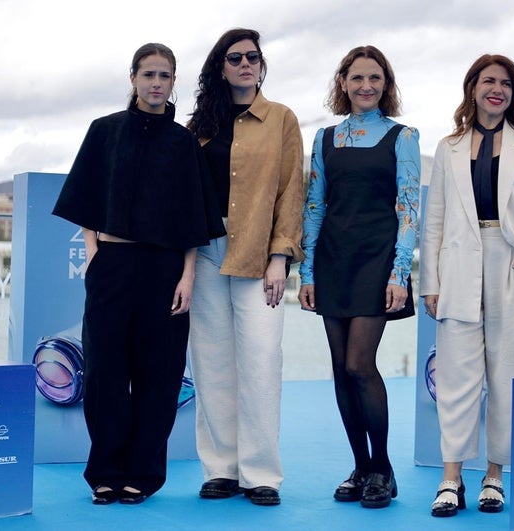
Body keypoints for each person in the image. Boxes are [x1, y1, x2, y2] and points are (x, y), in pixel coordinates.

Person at [52, 43, 225, 505]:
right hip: (112, 265)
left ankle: (143, 475)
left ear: (173, 83)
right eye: (148, 73)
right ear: (132, 77)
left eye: (164, 76)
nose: (155, 82)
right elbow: (84, 198)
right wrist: (93, 252)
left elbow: (193, 218)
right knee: (105, 370)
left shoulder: (183, 143)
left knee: (160, 374)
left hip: (165, 269)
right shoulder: (104, 131)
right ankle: (105, 472)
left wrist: (187, 276)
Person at [419, 53, 514, 517]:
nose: (496, 89)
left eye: (505, 83)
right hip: (459, 266)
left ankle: (496, 476)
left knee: (509, 377)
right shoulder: (448, 146)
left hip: (513, 266)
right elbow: (434, 221)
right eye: (488, 81)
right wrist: (430, 283)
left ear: (513, 92)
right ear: (473, 88)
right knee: (458, 377)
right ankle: (450, 478)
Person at [298, 45, 420, 509]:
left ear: (386, 85)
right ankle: (360, 466)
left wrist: (400, 273)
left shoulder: (403, 136)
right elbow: (314, 207)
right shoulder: (325, 138)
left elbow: (408, 208)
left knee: (358, 365)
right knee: (339, 371)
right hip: (332, 259)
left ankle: (383, 468)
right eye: (357, 78)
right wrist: (305, 272)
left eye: (375, 78)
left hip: (378, 259)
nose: (366, 86)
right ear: (343, 83)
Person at [186, 28, 304, 506]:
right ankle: (221, 469)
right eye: (235, 58)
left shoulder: (282, 119)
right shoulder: (200, 124)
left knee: (259, 361)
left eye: (253, 57)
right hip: (206, 248)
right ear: (221, 66)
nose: (245, 64)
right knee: (212, 363)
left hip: (260, 253)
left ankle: (261, 474)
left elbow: (292, 190)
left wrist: (281, 257)